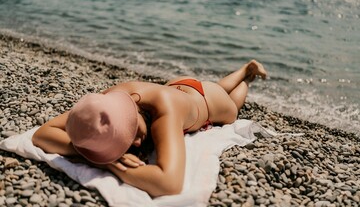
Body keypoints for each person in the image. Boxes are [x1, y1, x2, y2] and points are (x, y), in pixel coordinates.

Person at [32, 59, 267, 197]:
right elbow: (42, 134)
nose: (135, 144)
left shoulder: (165, 114)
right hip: (179, 86)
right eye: (125, 141)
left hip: (207, 102)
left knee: (233, 105)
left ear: (133, 105)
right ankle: (244, 71)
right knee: (216, 86)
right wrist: (100, 157)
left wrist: (113, 163)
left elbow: (169, 184)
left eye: (132, 132)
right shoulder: (111, 100)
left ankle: (247, 74)